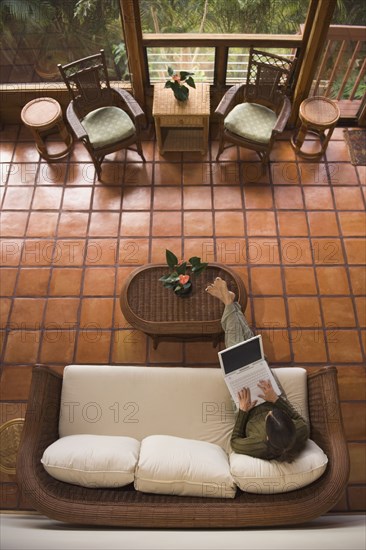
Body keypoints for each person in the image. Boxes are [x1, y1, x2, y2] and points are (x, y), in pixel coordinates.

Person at [205, 277, 309, 463]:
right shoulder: (299, 432)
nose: (270, 412)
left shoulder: (258, 446)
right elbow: (300, 421)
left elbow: (235, 442)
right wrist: (276, 400)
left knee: (237, 354)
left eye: (270, 417)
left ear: (268, 438)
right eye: (276, 415)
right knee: (254, 358)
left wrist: (244, 411)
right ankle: (229, 302)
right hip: (271, 395)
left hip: (247, 404)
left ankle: (230, 303)